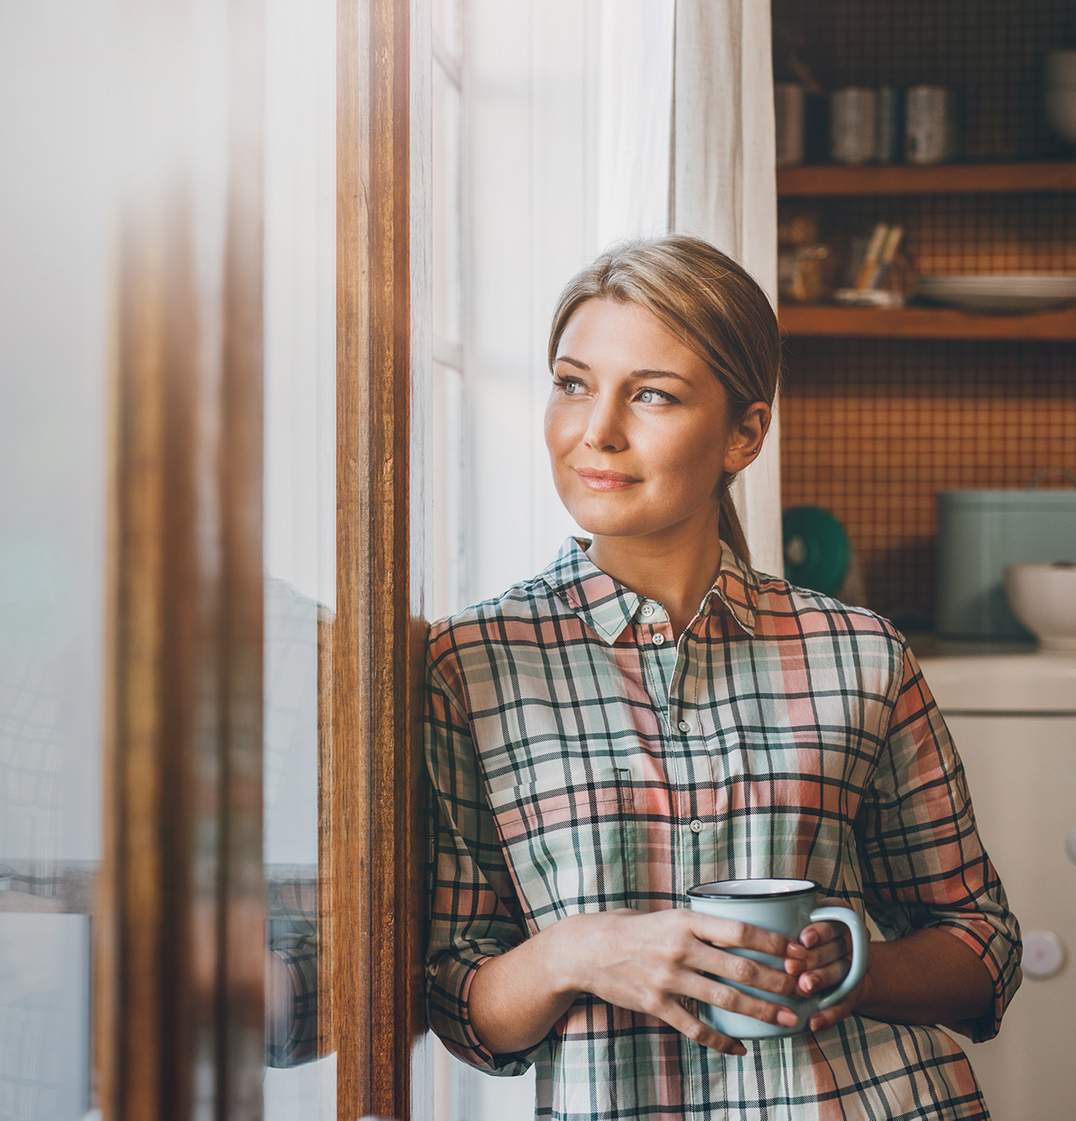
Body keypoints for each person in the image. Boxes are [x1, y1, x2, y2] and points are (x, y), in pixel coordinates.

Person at [422, 235, 1022, 1120]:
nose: (597, 430)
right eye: (573, 382)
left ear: (745, 432)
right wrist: (580, 951)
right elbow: (456, 997)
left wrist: (846, 970)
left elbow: (984, 944)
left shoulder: (862, 653)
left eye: (652, 394)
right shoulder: (467, 665)